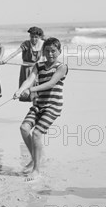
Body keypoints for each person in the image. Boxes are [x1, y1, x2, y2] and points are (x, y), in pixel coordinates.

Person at [14, 37, 68, 182]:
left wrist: (30, 90)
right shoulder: (38, 65)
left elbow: (50, 84)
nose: (50, 54)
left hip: (53, 106)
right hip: (39, 104)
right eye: (47, 51)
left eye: (53, 51)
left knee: (37, 133)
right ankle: (35, 158)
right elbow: (29, 79)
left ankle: (36, 170)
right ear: (43, 51)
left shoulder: (61, 67)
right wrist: (20, 90)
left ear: (59, 52)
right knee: (24, 128)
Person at [0, 26, 45, 101]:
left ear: (39, 37)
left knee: (37, 92)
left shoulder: (42, 44)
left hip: (36, 69)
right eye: (32, 37)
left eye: (36, 37)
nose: (33, 39)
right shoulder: (27, 44)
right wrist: (5, 60)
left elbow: (46, 57)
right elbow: (16, 52)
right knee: (27, 91)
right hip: (26, 68)